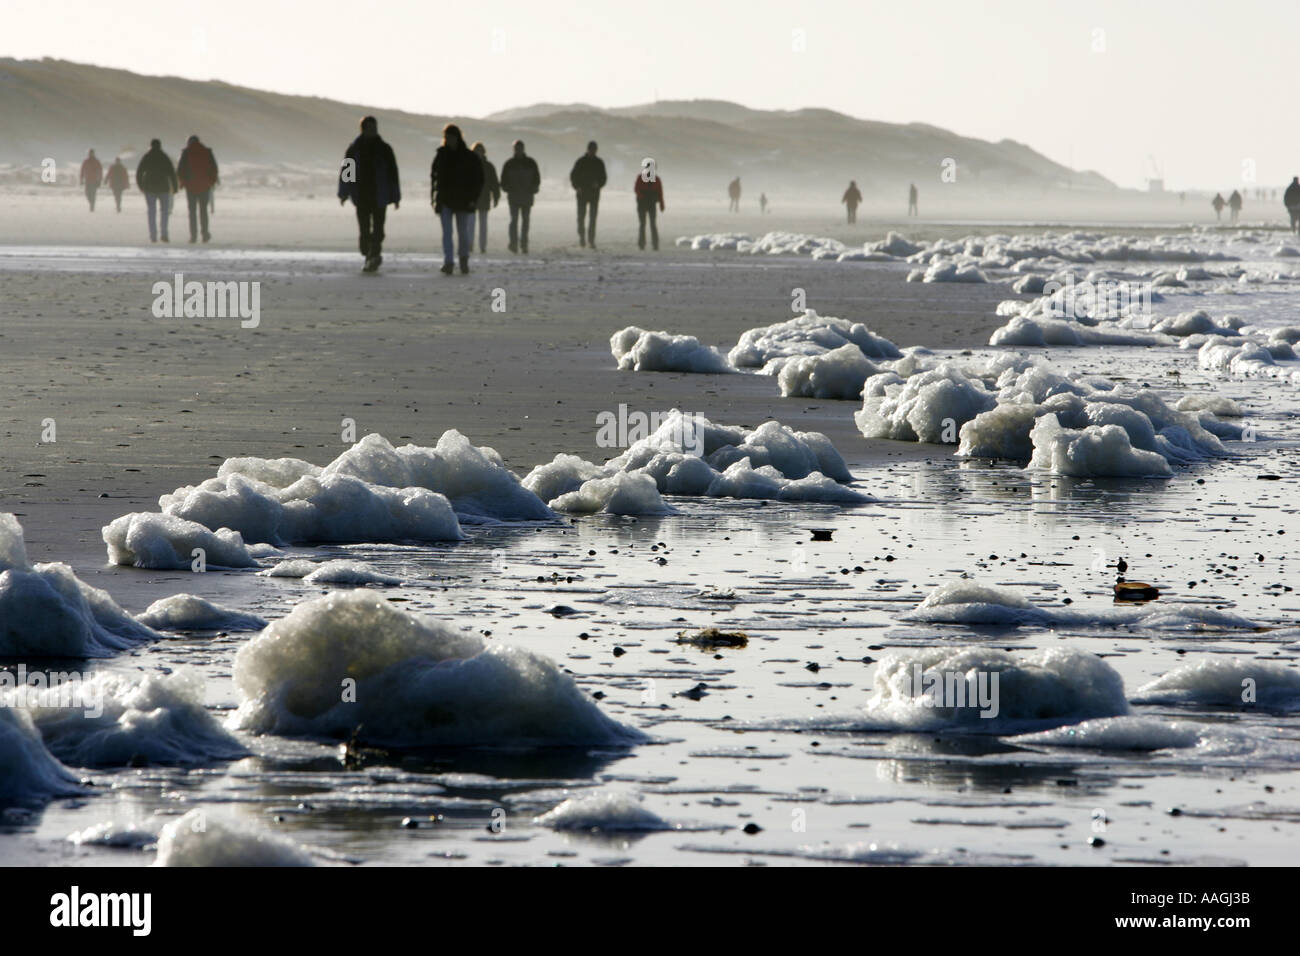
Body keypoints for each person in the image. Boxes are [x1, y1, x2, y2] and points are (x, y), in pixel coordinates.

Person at [338, 115, 401, 273]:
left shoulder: (385, 149)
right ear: (363, 129)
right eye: (370, 128)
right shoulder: (353, 149)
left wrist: (395, 196)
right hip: (361, 196)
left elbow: (393, 174)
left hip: (380, 196)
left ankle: (375, 256)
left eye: (375, 128)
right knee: (365, 230)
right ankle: (368, 254)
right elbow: (347, 173)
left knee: (379, 230)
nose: (373, 131)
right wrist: (344, 193)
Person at [430, 123, 484, 275]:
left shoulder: (469, 157)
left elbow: (478, 180)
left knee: (462, 232)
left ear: (457, 137)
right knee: (448, 233)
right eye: (447, 137)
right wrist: (434, 198)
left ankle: (463, 260)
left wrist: (473, 198)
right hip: (445, 199)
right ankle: (449, 262)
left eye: (451, 137)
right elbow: (434, 178)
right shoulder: (441, 155)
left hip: (464, 200)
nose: (449, 140)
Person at [500, 139, 540, 254]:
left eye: (520, 148)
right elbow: (503, 181)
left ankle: (523, 244)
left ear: (523, 149)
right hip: (514, 197)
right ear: (514, 149)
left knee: (525, 221)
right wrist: (508, 189)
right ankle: (514, 243)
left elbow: (537, 179)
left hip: (526, 196)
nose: (518, 150)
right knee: (514, 221)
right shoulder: (509, 164)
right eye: (516, 148)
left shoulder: (530, 163)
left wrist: (533, 188)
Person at [177, 134, 219, 243]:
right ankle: (205, 234)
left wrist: (183, 183)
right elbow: (214, 169)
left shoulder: (186, 152)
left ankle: (193, 236)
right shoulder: (207, 152)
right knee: (203, 211)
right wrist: (211, 182)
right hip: (204, 186)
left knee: (192, 212)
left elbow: (180, 170)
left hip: (190, 187)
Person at [135, 139, 177, 242]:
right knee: (164, 212)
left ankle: (153, 236)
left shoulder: (147, 157)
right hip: (164, 188)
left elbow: (139, 172)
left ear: (151, 146)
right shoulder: (164, 157)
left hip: (149, 188)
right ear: (160, 146)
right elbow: (172, 173)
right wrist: (175, 187)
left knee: (151, 212)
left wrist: (140, 185)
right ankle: (164, 234)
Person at [569, 140, 607, 249]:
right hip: (582, 194)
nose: (593, 151)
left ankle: (591, 240)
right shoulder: (581, 162)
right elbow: (573, 176)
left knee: (593, 218)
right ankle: (582, 237)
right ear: (588, 149)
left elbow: (604, 178)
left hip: (594, 194)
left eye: (594, 150)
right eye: (591, 149)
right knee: (581, 217)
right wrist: (577, 187)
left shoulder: (599, 163)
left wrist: (598, 184)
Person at [472, 142, 500, 254]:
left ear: (483, 152)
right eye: (477, 151)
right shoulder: (469, 165)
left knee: (483, 224)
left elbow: (494, 183)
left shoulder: (489, 166)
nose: (478, 153)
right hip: (471, 199)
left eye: (480, 151)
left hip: (484, 198)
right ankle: (469, 246)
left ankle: (482, 247)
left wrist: (496, 196)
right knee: (470, 224)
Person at [635, 168, 665, 250]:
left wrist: (661, 204)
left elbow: (660, 192)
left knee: (652, 224)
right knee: (643, 224)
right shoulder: (641, 178)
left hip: (651, 204)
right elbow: (637, 189)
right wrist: (642, 196)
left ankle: (654, 244)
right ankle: (642, 244)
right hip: (642, 203)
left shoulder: (656, 179)